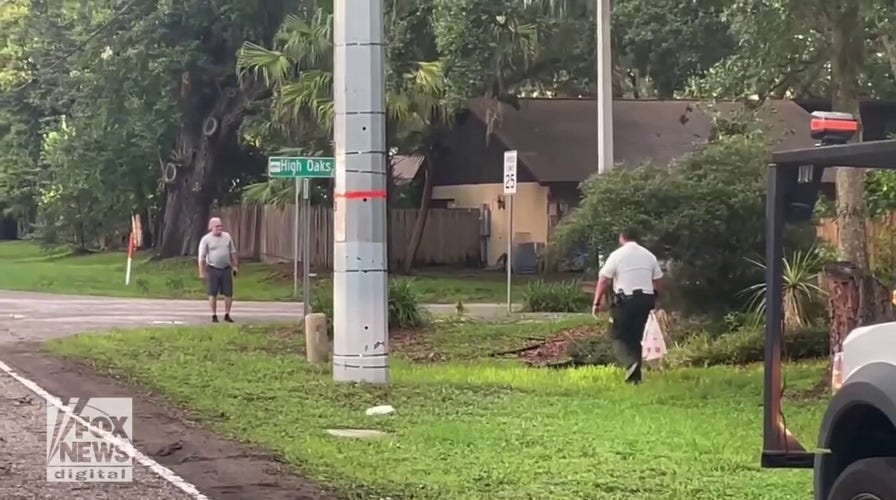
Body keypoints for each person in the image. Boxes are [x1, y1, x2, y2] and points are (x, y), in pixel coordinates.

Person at [592, 228, 663, 384]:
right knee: (636, 336)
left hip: (625, 301)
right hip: (646, 300)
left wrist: (596, 302)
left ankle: (632, 365)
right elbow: (657, 280)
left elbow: (604, 280)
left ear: (621, 238)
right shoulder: (648, 255)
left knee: (617, 335)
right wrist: (655, 300)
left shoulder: (617, 255)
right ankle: (636, 375)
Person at [198, 217, 239, 323]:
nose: (219, 228)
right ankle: (214, 315)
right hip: (213, 268)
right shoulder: (206, 239)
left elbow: (233, 251)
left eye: (221, 226)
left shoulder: (227, 236)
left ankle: (227, 314)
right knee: (213, 292)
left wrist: (235, 265)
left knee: (228, 293)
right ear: (211, 227)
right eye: (217, 226)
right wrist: (202, 272)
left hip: (226, 268)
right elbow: (201, 257)